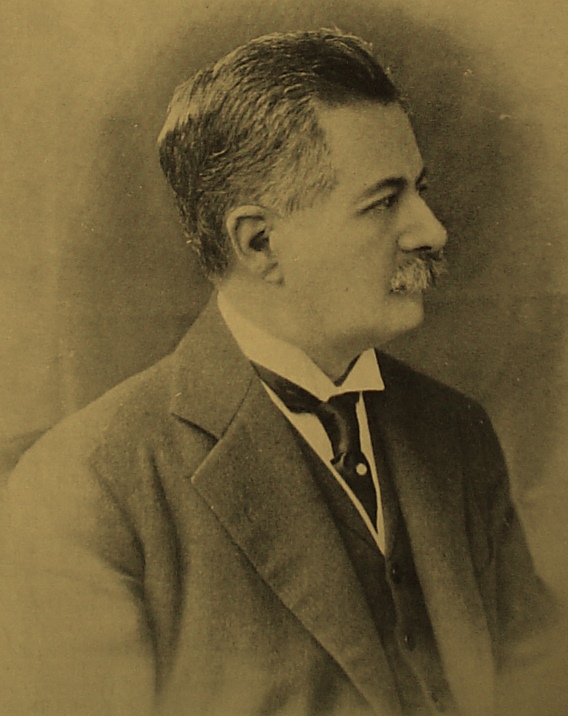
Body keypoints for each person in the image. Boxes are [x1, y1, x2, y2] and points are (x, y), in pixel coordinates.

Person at [0, 29, 555, 716]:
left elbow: (541, 680)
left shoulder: (455, 430)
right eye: (384, 202)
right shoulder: (90, 487)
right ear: (260, 243)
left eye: (420, 190)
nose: (432, 230)